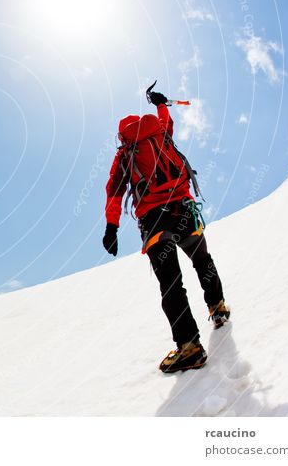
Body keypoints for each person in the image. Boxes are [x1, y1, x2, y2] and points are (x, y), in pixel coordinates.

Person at [101, 88, 230, 373]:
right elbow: (166, 120)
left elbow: (114, 192)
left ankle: (190, 346)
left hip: (155, 222)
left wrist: (111, 227)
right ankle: (217, 305)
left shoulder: (125, 154)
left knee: (171, 283)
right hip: (185, 211)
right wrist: (160, 103)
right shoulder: (160, 133)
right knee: (202, 260)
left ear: (122, 135)